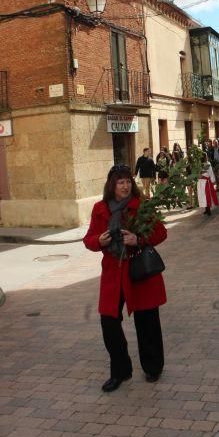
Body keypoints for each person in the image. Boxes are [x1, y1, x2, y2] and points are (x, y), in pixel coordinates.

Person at [83, 164, 167, 392]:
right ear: (112, 185)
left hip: (138, 270)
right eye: (120, 182)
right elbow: (88, 239)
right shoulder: (100, 208)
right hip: (113, 272)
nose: (125, 185)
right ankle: (121, 370)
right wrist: (98, 242)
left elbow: (160, 232)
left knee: (147, 320)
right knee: (109, 322)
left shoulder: (142, 205)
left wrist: (138, 239)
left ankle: (153, 367)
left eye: (128, 181)